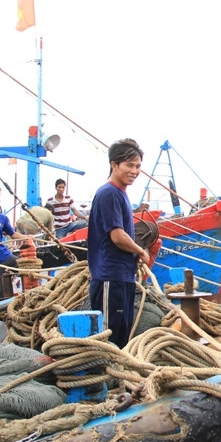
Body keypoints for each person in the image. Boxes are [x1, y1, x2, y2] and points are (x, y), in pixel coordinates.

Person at [87, 139, 150, 347]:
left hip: (122, 276)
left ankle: (119, 378)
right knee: (109, 336)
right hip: (110, 277)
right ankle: (106, 378)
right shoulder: (109, 193)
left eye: (138, 166)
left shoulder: (121, 194)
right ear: (114, 165)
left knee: (122, 335)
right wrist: (141, 251)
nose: (134, 171)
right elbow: (117, 236)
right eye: (129, 165)